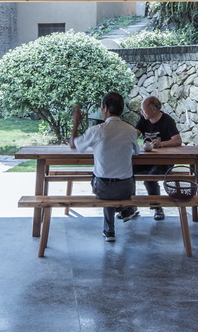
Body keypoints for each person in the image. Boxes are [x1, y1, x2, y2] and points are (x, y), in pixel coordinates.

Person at [70, 91, 139, 242]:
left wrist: (76, 122)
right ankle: (126, 209)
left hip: (103, 189)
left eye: (101, 107)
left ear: (106, 108)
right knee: (122, 174)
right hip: (126, 189)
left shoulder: (97, 130)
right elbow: (137, 152)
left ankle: (110, 231)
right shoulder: (131, 131)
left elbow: (73, 145)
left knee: (104, 176)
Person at [135, 95, 183, 220]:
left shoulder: (167, 120)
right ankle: (130, 207)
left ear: (154, 109)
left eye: (143, 109)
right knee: (127, 171)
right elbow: (134, 134)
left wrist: (162, 144)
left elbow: (178, 140)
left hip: (164, 160)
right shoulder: (143, 120)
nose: (142, 112)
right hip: (146, 159)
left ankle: (157, 207)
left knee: (150, 178)